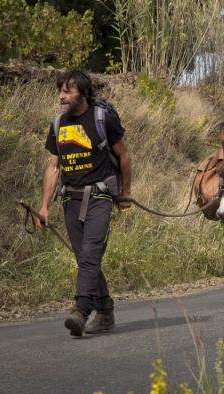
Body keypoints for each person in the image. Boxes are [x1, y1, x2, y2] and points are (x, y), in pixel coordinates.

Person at [37, 70, 132, 336]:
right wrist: (44, 206)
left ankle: (80, 309)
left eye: (67, 91)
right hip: (70, 198)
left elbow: (124, 156)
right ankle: (105, 311)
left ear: (84, 93)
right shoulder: (58, 124)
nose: (62, 96)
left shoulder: (104, 119)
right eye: (60, 91)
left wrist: (125, 192)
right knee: (84, 258)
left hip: (99, 196)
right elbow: (53, 167)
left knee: (90, 254)